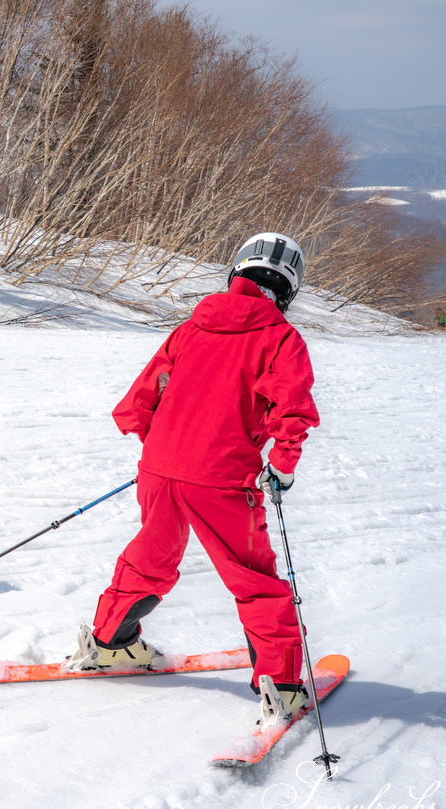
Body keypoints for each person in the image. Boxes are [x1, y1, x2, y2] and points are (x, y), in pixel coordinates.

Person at [68, 232, 321, 725]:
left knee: (150, 558)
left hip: (161, 471)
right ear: (287, 290)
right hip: (221, 481)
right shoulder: (280, 338)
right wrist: (283, 470)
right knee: (255, 582)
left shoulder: (191, 329)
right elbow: (291, 411)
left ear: (236, 274)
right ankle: (284, 687)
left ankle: (109, 643)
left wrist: (167, 453)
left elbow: (143, 397)